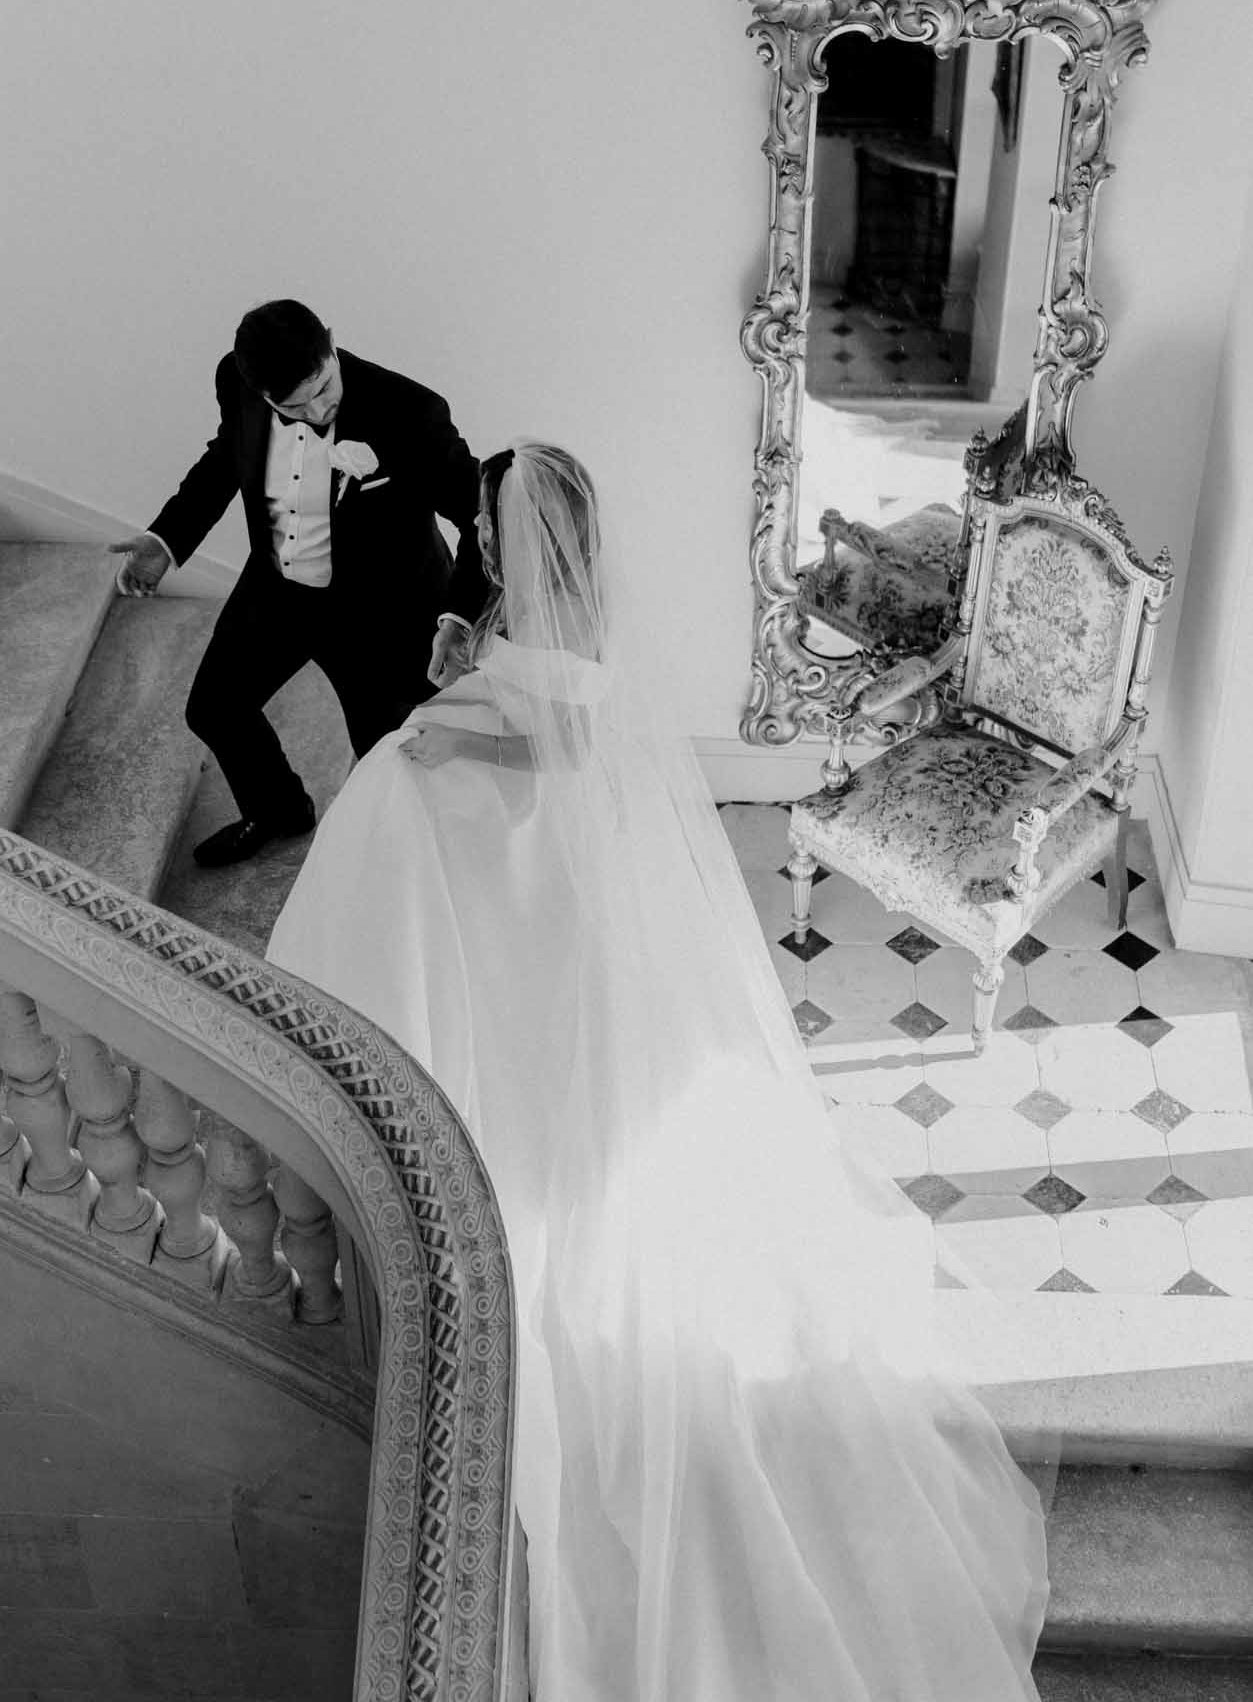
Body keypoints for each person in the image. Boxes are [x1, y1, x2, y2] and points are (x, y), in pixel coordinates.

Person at [266, 441, 1050, 1702]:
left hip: (525, 899)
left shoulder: (571, 664)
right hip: (526, 892)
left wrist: (453, 745)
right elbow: (527, 680)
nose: (479, 527)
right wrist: (467, 666)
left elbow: (559, 746)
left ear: (526, 534)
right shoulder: (551, 612)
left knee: (525, 1110)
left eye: (490, 518)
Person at [110, 299, 487, 867]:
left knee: (393, 756)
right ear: (261, 393)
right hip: (278, 591)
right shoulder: (232, 378)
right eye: (294, 404)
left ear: (332, 345)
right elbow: (225, 458)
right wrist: (166, 540)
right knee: (214, 708)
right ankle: (278, 810)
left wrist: (457, 617)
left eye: (324, 387)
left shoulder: (412, 410)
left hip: (383, 609)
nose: (315, 410)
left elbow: (479, 520)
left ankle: (406, 874)